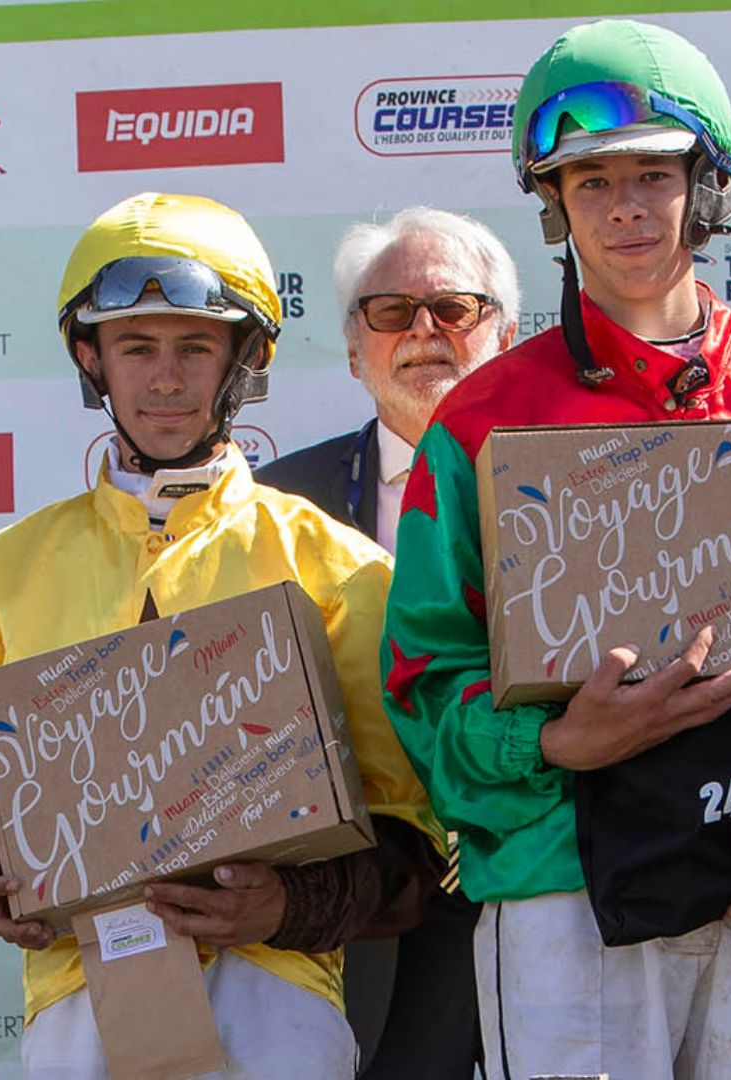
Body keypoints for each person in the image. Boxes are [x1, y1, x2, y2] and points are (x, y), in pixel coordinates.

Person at [380, 19, 731, 1079]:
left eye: (654, 172)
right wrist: (555, 743)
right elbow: (424, 675)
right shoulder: (480, 423)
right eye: (591, 180)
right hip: (567, 892)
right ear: (553, 203)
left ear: (708, 185)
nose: (627, 207)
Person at [0, 192, 444, 1079]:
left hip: (275, 1000)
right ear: (91, 358)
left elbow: (411, 840)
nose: (165, 380)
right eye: (136, 347)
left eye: (195, 347)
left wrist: (286, 904)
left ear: (245, 358)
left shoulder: (343, 571)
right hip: (76, 995)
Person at [258, 206, 519, 1079]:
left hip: (550, 881)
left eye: (454, 308)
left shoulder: (586, 484)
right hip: (367, 907)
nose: (422, 331)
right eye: (390, 311)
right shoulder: (272, 506)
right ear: (351, 348)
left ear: (506, 336)